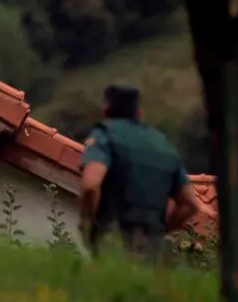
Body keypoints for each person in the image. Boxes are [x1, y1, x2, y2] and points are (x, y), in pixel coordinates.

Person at [78, 83, 201, 263]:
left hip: (113, 237)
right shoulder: (163, 145)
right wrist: (162, 231)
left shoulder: (104, 135)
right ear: (139, 113)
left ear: (106, 111)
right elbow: (190, 205)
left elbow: (90, 185)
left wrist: (87, 224)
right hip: (152, 245)